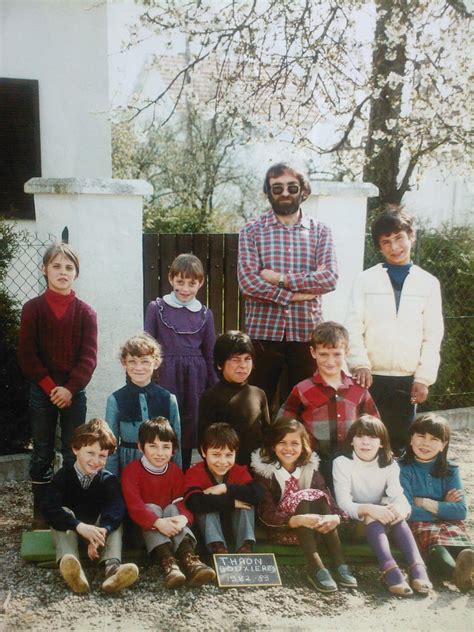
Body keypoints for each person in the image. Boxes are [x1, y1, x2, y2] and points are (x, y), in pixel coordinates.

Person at [238, 162, 338, 410]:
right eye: (277, 188)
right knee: (255, 405)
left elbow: (329, 278)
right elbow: (249, 282)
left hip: (306, 333)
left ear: (303, 191)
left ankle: (302, 450)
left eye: (292, 187)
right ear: (268, 192)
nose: (285, 193)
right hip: (263, 333)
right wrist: (295, 296)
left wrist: (280, 279)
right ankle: (255, 450)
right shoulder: (251, 231)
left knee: (306, 405)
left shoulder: (321, 232)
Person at [345, 207, 444, 453]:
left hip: (406, 379)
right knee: (367, 440)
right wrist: (360, 364)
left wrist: (423, 378)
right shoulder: (365, 280)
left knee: (399, 443)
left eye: (399, 238)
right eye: (386, 242)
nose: (394, 247)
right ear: (379, 247)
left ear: (412, 236)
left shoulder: (428, 283)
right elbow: (353, 325)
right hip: (370, 377)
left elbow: (433, 336)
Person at [18, 243, 98, 528]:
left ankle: (69, 511)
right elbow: (27, 355)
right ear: (44, 269)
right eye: (56, 266)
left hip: (74, 393)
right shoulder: (33, 309)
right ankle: (41, 514)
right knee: (42, 451)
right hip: (42, 392)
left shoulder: (86, 313)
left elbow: (89, 358)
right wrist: (52, 387)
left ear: (76, 273)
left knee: (73, 451)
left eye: (69, 267)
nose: (62, 272)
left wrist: (70, 389)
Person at [251, 418, 356, 593]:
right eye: (282, 442)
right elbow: (265, 515)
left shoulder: (310, 469)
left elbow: (327, 498)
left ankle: (339, 563)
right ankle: (315, 566)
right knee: (304, 497)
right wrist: (296, 520)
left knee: (317, 496)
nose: (288, 448)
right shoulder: (266, 473)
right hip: (284, 528)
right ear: (273, 445)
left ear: (303, 445)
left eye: (294, 443)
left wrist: (336, 517)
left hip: (314, 528)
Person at [333, 415, 432, 596]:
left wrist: (400, 509)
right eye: (360, 436)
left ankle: (418, 567)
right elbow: (343, 503)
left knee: (394, 510)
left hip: (382, 520)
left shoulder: (389, 464)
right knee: (373, 513)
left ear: (381, 442)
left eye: (372, 437)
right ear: (351, 441)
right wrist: (370, 508)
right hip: (352, 521)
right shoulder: (341, 463)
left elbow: (398, 496)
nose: (365, 442)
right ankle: (390, 570)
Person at [40, 418, 139, 594]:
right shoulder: (63, 476)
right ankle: (73, 569)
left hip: (98, 535)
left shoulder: (108, 480)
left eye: (102, 456)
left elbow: (117, 508)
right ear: (76, 449)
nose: (96, 460)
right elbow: (48, 507)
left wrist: (103, 531)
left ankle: (112, 570)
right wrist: (79, 526)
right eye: (90, 453)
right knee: (62, 513)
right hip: (72, 533)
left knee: (114, 519)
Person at [277, 321, 379, 488]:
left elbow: (375, 425)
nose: (330, 361)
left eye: (336, 354)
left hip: (352, 463)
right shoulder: (302, 389)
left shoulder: (358, 389)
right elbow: (283, 426)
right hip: (314, 465)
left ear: (346, 352)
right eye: (323, 354)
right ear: (313, 352)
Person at [121, 417, 215, 588]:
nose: (160, 453)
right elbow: (134, 506)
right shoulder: (131, 471)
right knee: (152, 507)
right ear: (140, 447)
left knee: (173, 508)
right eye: (153, 446)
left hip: (172, 531)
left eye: (166, 447)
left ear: (173, 450)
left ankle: (190, 560)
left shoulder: (175, 472)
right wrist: (157, 522)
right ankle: (168, 563)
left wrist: (183, 519)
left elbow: (182, 502)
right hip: (141, 533)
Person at [145, 253, 217, 470]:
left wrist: (214, 384)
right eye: (180, 282)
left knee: (189, 424)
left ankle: (183, 471)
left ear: (201, 283)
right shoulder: (156, 308)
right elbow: (148, 345)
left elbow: (210, 352)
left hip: (195, 376)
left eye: (192, 283)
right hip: (166, 373)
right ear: (170, 279)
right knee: (165, 422)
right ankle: (161, 471)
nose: (185, 289)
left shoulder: (205, 314)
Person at [399, 414, 473, 592]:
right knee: (436, 546)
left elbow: (461, 511)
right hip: (420, 525)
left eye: (434, 439)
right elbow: (408, 511)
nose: (426, 443)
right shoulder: (402, 469)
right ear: (411, 439)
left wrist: (424, 502)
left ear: (443, 445)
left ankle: (467, 572)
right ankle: (456, 574)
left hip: (450, 524)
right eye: (421, 436)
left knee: (464, 547)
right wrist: (442, 507)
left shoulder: (450, 470)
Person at [105, 334, 181, 475]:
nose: (138, 367)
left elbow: (176, 444)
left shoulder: (168, 399)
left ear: (156, 363)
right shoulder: (115, 400)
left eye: (145, 361)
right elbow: (111, 447)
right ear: (124, 363)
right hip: (128, 464)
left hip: (161, 467)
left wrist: (177, 474)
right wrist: (110, 481)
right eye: (132, 361)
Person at [184, 423, 263, 554]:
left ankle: (245, 546)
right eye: (216, 454)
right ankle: (217, 548)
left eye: (228, 455)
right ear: (204, 452)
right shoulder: (195, 472)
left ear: (235, 453)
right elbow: (193, 502)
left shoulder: (238, 471)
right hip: (208, 532)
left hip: (234, 526)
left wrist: (225, 488)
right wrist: (232, 503)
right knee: (205, 505)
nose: (222, 461)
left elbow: (258, 494)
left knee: (247, 504)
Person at [198, 331, 270, 467]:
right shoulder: (210, 397)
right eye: (236, 359)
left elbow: (266, 436)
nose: (243, 365)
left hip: (255, 470)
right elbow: (204, 441)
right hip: (224, 470)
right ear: (220, 364)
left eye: (247, 359)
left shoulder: (259, 394)